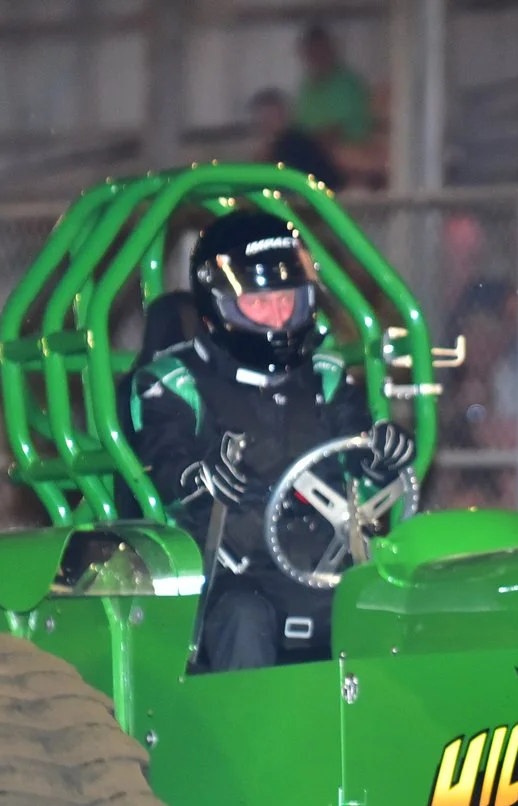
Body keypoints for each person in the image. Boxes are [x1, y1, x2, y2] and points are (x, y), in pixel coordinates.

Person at [131, 210, 414, 671]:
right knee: (244, 617)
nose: (279, 318)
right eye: (259, 303)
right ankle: (247, 739)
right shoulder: (173, 382)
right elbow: (164, 467)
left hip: (327, 571)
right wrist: (202, 477)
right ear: (218, 306)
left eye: (288, 300)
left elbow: (358, 454)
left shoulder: (324, 377)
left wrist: (384, 457)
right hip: (227, 579)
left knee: (397, 603)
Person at [293, 23, 381, 183]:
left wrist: (306, 142)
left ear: (331, 50)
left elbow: (334, 134)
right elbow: (299, 127)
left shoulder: (346, 83)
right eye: (310, 52)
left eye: (319, 50)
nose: (315, 57)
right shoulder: (306, 87)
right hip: (313, 155)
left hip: (345, 155)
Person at [249, 88, 344, 192]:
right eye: (264, 117)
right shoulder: (273, 145)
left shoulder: (296, 144)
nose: (267, 122)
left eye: (272, 116)